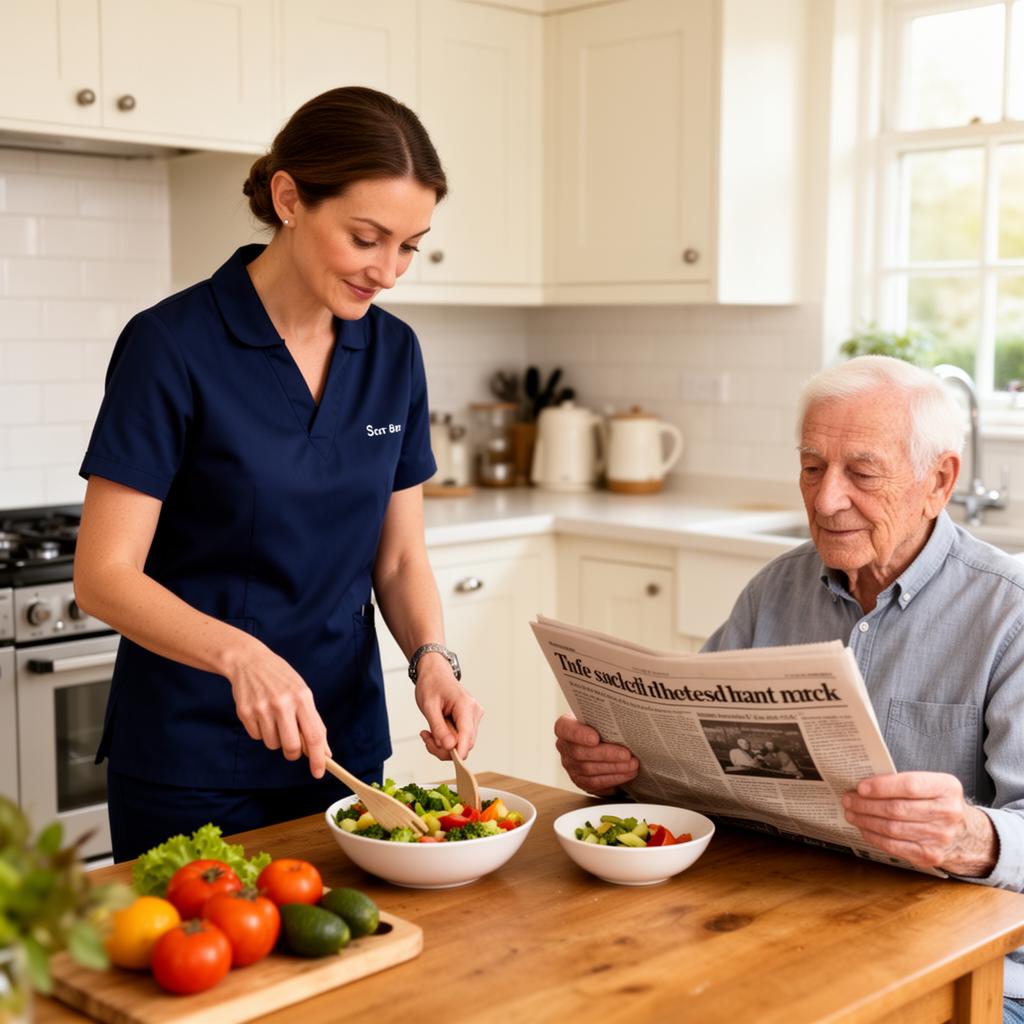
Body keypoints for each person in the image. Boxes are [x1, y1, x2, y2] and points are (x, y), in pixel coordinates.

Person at [74, 86, 483, 862]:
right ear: (289, 198)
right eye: (367, 238)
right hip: (191, 756)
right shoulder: (171, 346)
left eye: (410, 245)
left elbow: (397, 557)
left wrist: (432, 657)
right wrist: (242, 656)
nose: (389, 272)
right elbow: (102, 575)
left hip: (343, 749)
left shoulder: (394, 355)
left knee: (355, 967)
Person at [554, 355, 1024, 1013]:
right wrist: (618, 766)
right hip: (780, 923)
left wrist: (969, 837)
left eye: (861, 473)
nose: (827, 500)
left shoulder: (1011, 613)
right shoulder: (775, 588)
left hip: (959, 963)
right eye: (811, 468)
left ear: (939, 481)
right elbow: (694, 763)